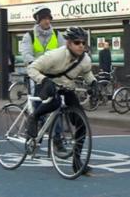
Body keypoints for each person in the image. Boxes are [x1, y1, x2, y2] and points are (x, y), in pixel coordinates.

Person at [26, 27, 96, 171]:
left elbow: (87, 73)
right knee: (55, 102)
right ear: (69, 43)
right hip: (46, 84)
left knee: (81, 122)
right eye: (77, 42)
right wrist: (44, 80)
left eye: (83, 43)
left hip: (66, 88)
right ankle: (34, 116)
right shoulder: (55, 56)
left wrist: (93, 83)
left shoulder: (85, 59)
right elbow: (31, 69)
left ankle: (77, 163)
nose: (81, 45)